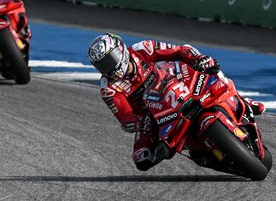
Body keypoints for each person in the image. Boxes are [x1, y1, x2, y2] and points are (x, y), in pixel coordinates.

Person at [87, 33, 265, 172]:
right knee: (141, 159)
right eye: (102, 65)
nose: (109, 68)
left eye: (109, 60)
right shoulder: (108, 88)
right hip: (153, 115)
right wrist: (140, 121)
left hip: (172, 82)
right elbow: (124, 116)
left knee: (210, 68)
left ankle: (241, 100)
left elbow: (178, 50)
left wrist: (197, 59)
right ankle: (197, 152)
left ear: (120, 50)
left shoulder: (142, 49)